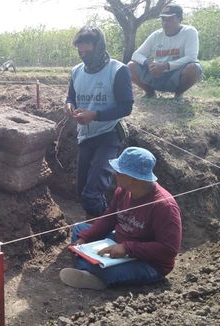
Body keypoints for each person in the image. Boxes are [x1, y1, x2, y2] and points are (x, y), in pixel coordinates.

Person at [60, 147, 182, 289]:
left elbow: (169, 250)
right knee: (80, 229)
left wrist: (127, 248)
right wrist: (85, 238)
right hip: (120, 241)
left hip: (150, 262)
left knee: (109, 271)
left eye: (119, 172)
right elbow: (109, 219)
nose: (114, 174)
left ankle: (94, 273)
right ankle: (91, 269)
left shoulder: (164, 207)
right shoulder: (123, 191)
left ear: (134, 179)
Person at [64, 26, 133, 219]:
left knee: (91, 193)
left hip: (109, 135)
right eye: (80, 51)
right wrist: (69, 105)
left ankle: (101, 232)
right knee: (82, 192)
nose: (83, 55)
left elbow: (126, 107)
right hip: (85, 135)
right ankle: (97, 227)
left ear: (99, 47)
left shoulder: (118, 70)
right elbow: (71, 96)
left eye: (88, 51)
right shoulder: (77, 71)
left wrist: (94, 115)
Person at [128, 4, 203, 100]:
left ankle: (178, 94)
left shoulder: (189, 32)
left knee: (194, 68)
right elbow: (136, 55)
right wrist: (149, 63)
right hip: (156, 75)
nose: (165, 23)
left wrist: (165, 66)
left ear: (180, 19)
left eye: (170, 19)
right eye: (163, 19)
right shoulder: (156, 35)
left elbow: (191, 57)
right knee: (130, 66)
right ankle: (150, 93)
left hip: (176, 75)